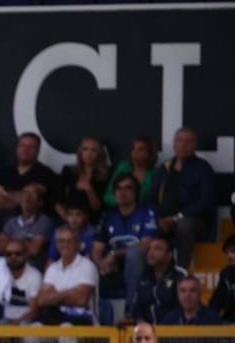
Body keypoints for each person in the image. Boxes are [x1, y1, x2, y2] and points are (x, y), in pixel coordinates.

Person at [146, 126, 215, 270]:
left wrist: (176, 218)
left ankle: (181, 271)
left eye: (189, 141)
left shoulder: (203, 168)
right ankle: (152, 277)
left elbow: (205, 202)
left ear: (195, 145)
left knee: (184, 226)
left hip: (194, 221)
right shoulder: (163, 169)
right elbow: (151, 199)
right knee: (147, 226)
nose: (183, 144)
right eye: (179, 140)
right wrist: (158, 219)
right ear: (174, 144)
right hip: (164, 220)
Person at [92, 174, 157, 308]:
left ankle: (130, 308)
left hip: (141, 265)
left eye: (128, 188)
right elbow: (96, 249)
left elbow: (145, 246)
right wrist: (102, 265)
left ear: (136, 192)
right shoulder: (108, 216)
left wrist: (114, 254)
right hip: (113, 268)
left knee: (134, 254)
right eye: (118, 188)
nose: (122, 193)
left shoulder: (147, 212)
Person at [37, 226, 98, 325]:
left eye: (69, 241)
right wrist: (69, 293)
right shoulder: (52, 268)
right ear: (56, 244)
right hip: (54, 318)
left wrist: (55, 295)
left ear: (77, 244)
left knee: (66, 329)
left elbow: (81, 300)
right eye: (61, 241)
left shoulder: (87, 266)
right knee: (33, 330)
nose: (65, 245)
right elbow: (42, 300)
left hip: (83, 320)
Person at [0, 239, 41, 326]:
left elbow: (34, 311)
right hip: (6, 321)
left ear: (26, 255)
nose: (13, 257)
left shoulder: (34, 275)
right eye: (9, 254)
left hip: (27, 322)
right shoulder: (1, 271)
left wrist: (16, 322)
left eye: (17, 253)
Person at [130, 236, 186, 324]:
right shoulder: (144, 277)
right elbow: (136, 308)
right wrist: (142, 324)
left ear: (169, 255)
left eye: (157, 249)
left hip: (173, 331)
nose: (151, 253)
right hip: (147, 332)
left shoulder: (179, 275)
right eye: (149, 249)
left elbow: (184, 308)